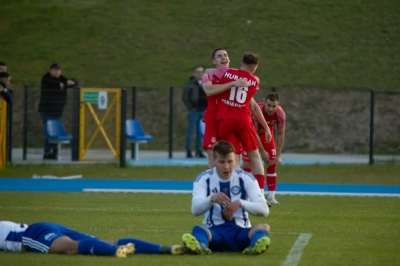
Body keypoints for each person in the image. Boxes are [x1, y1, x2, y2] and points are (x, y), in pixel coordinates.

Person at [182, 141, 271, 255]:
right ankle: (201, 246)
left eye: (230, 161)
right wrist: (211, 198)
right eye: (221, 162)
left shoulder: (246, 178)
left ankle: (254, 246)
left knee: (263, 227)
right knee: (199, 229)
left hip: (240, 233)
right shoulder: (204, 178)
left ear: (235, 160)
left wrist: (241, 203)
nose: (227, 166)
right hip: (214, 233)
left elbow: (264, 210)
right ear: (213, 161)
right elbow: (195, 210)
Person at [214, 52, 270, 195]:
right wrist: (266, 127)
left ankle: (237, 193)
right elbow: (253, 104)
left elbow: (212, 71)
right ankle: (260, 194)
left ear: (242, 62)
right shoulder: (254, 80)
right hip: (242, 119)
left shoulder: (227, 73)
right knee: (255, 157)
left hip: (225, 119)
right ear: (254, 67)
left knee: (234, 158)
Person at [201, 49, 268, 168]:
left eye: (225, 55)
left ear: (229, 59)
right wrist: (232, 84)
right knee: (213, 160)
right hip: (213, 120)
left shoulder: (236, 76)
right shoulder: (209, 74)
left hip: (227, 119)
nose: (223, 58)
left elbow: (252, 104)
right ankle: (211, 185)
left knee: (233, 158)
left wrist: (265, 125)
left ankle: (233, 184)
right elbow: (209, 91)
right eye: (219, 56)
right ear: (214, 61)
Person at [0, 220, 186, 258]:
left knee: (69, 248)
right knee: (107, 241)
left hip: (30, 234)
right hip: (44, 226)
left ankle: (117, 252)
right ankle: (164, 249)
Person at [242, 92, 286, 204]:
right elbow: (254, 132)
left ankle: (271, 197)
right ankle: (246, 194)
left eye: (274, 106)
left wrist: (278, 155)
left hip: (267, 135)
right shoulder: (257, 111)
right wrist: (262, 151)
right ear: (265, 103)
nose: (271, 109)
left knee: (271, 162)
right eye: (269, 105)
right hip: (252, 135)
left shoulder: (280, 114)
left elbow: (280, 135)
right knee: (247, 164)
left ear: (278, 105)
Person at [38, 63, 76, 160]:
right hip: (47, 111)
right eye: (54, 70)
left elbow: (72, 82)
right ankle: (47, 152)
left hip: (57, 112)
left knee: (53, 132)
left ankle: (54, 151)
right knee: (49, 131)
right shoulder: (46, 78)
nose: (57, 72)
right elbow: (51, 82)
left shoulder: (62, 79)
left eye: (58, 70)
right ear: (50, 70)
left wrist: (72, 82)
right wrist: (59, 84)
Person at [182, 66, 207, 158]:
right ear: (194, 73)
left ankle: (198, 151)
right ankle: (188, 151)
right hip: (194, 111)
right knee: (191, 131)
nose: (200, 74)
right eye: (198, 72)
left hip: (204, 110)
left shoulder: (205, 83)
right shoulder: (189, 84)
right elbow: (185, 97)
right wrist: (191, 107)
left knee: (201, 132)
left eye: (201, 72)